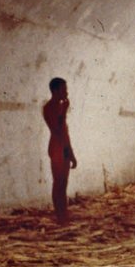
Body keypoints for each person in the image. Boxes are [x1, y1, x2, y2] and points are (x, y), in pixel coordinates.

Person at [42, 77, 77, 223]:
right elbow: (57, 129)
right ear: (55, 90)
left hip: (64, 147)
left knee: (64, 183)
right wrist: (64, 110)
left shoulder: (59, 106)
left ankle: (64, 214)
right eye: (63, 89)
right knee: (58, 182)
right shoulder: (49, 107)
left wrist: (71, 154)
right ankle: (59, 215)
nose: (66, 92)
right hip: (57, 147)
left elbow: (65, 133)